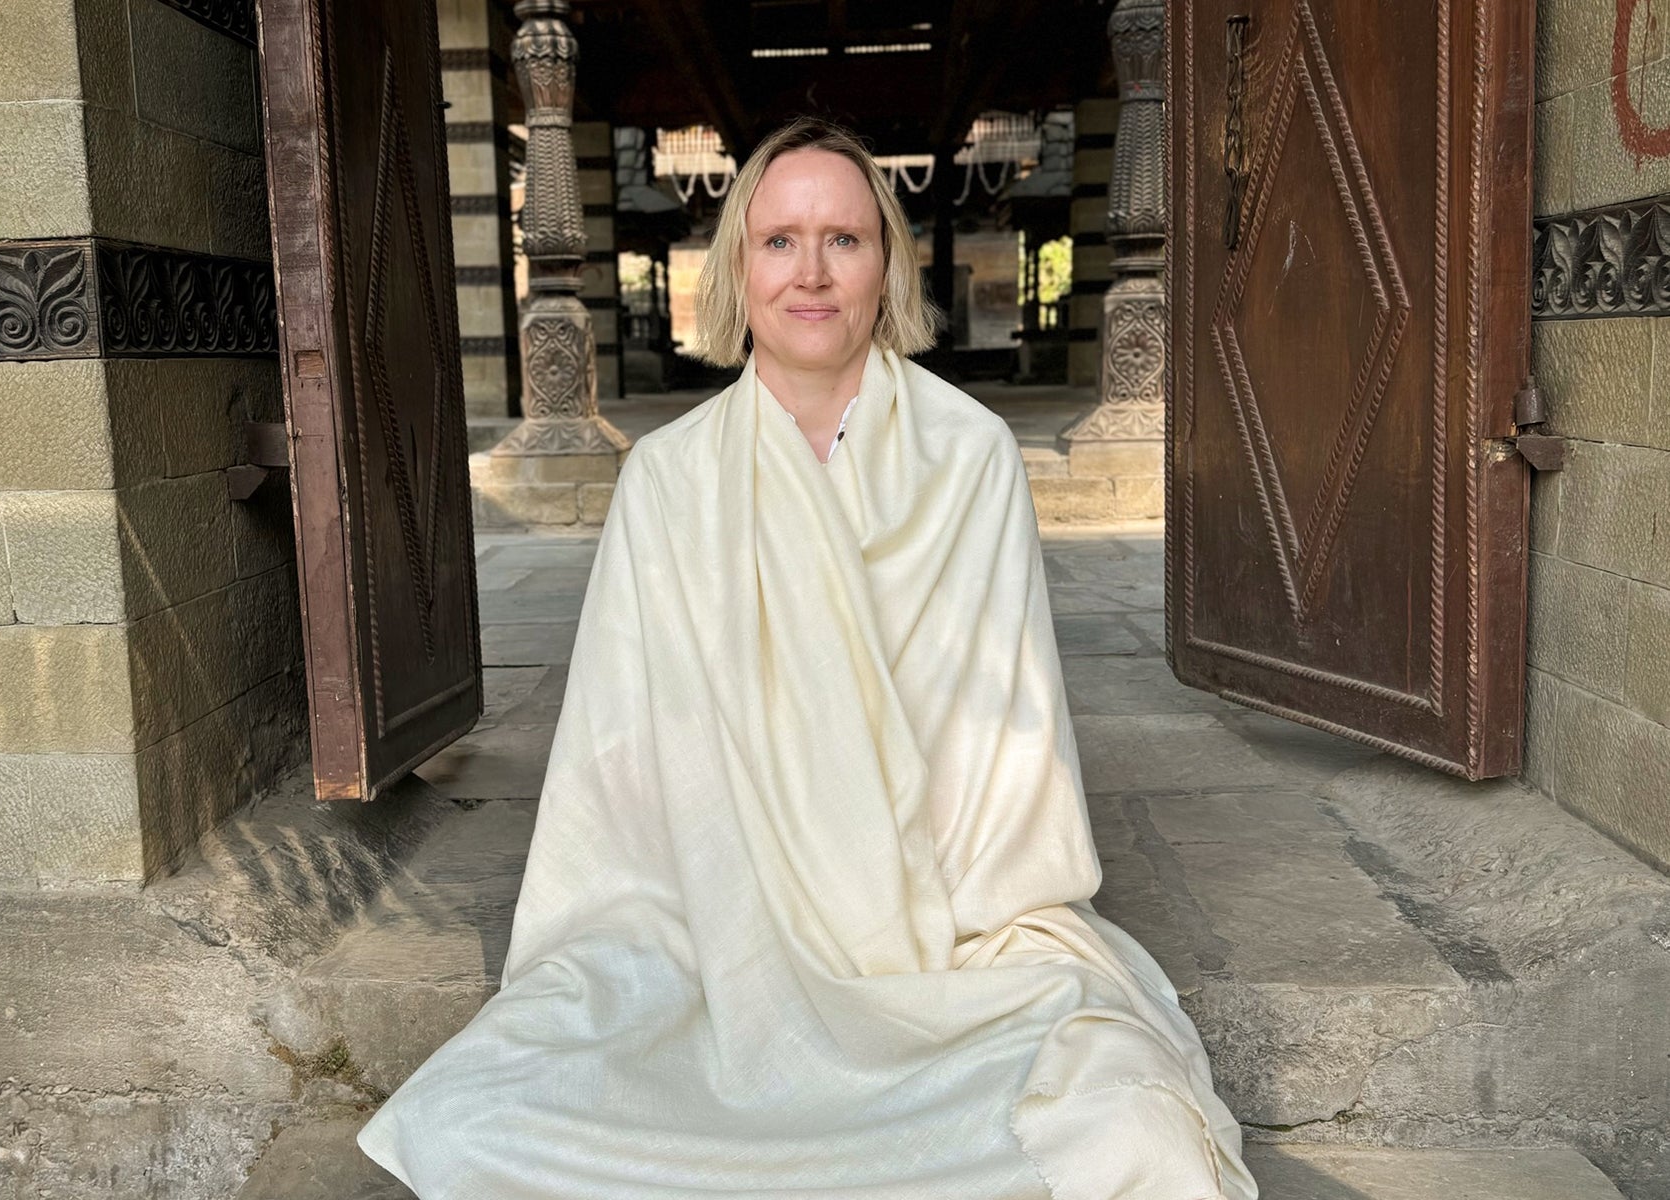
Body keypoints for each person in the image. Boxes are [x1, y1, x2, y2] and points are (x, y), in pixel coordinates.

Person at [357, 116, 1258, 1200]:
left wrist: (900, 924)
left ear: (887, 264)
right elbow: (625, 764)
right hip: (713, 927)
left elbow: (999, 748)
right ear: (738, 266)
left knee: (1125, 1129)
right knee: (468, 1122)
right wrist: (750, 917)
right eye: (780, 241)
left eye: (844, 239)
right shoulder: (669, 478)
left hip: (941, 930)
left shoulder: (969, 457)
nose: (812, 274)